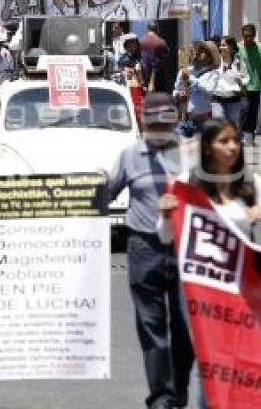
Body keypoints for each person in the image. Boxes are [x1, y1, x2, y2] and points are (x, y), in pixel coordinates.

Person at [105, 92, 194, 409]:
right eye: (153, 121)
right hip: (144, 246)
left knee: (186, 328)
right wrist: (97, 185)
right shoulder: (130, 155)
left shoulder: (188, 155)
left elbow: (211, 199)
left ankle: (180, 386)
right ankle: (162, 396)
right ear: (143, 122)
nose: (159, 128)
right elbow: (105, 196)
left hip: (185, 249)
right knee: (151, 325)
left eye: (166, 121)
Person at [158, 118, 261, 243]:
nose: (233, 147)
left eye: (236, 140)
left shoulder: (252, 182)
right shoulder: (186, 182)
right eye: (224, 141)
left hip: (238, 263)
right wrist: (166, 215)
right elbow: (166, 237)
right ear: (207, 147)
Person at [173, 41, 220, 137]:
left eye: (203, 51)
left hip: (202, 120)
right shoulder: (186, 71)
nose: (198, 53)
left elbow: (209, 91)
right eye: (198, 50)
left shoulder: (213, 74)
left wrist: (190, 79)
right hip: (184, 119)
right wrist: (178, 94)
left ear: (210, 57)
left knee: (199, 150)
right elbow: (176, 89)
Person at [239, 24, 261, 145]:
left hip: (256, 85)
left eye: (250, 36)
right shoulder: (238, 48)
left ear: (254, 36)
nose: (248, 39)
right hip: (241, 87)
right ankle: (242, 134)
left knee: (253, 112)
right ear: (242, 35)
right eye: (245, 36)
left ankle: (250, 136)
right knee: (244, 109)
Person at [212, 36, 249, 127]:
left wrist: (241, 81)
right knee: (219, 127)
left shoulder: (239, 63)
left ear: (231, 48)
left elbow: (247, 78)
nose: (221, 47)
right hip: (217, 99)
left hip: (234, 100)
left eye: (224, 45)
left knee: (233, 127)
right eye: (220, 45)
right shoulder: (215, 62)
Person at [140, 22, 170, 92]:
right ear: (157, 29)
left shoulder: (140, 41)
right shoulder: (161, 42)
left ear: (147, 29)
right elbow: (166, 58)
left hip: (144, 76)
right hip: (158, 78)